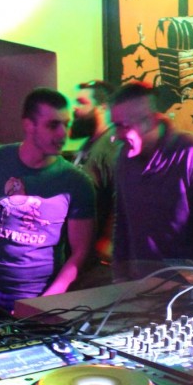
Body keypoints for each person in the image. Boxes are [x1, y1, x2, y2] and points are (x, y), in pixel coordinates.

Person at [0, 88, 95, 312]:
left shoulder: (76, 182)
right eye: (53, 125)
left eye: (66, 124)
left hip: (36, 293)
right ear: (29, 125)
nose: (63, 133)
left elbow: (80, 252)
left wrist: (48, 300)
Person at [108, 81, 193, 278]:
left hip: (188, 287)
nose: (116, 135)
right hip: (139, 284)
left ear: (149, 121)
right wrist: (119, 276)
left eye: (123, 126)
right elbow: (122, 225)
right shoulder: (125, 157)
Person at [71, 80, 119, 281]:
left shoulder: (113, 146)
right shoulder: (88, 144)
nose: (75, 108)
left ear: (103, 107)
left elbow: (122, 198)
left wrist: (107, 241)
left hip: (98, 256)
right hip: (81, 250)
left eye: (82, 102)